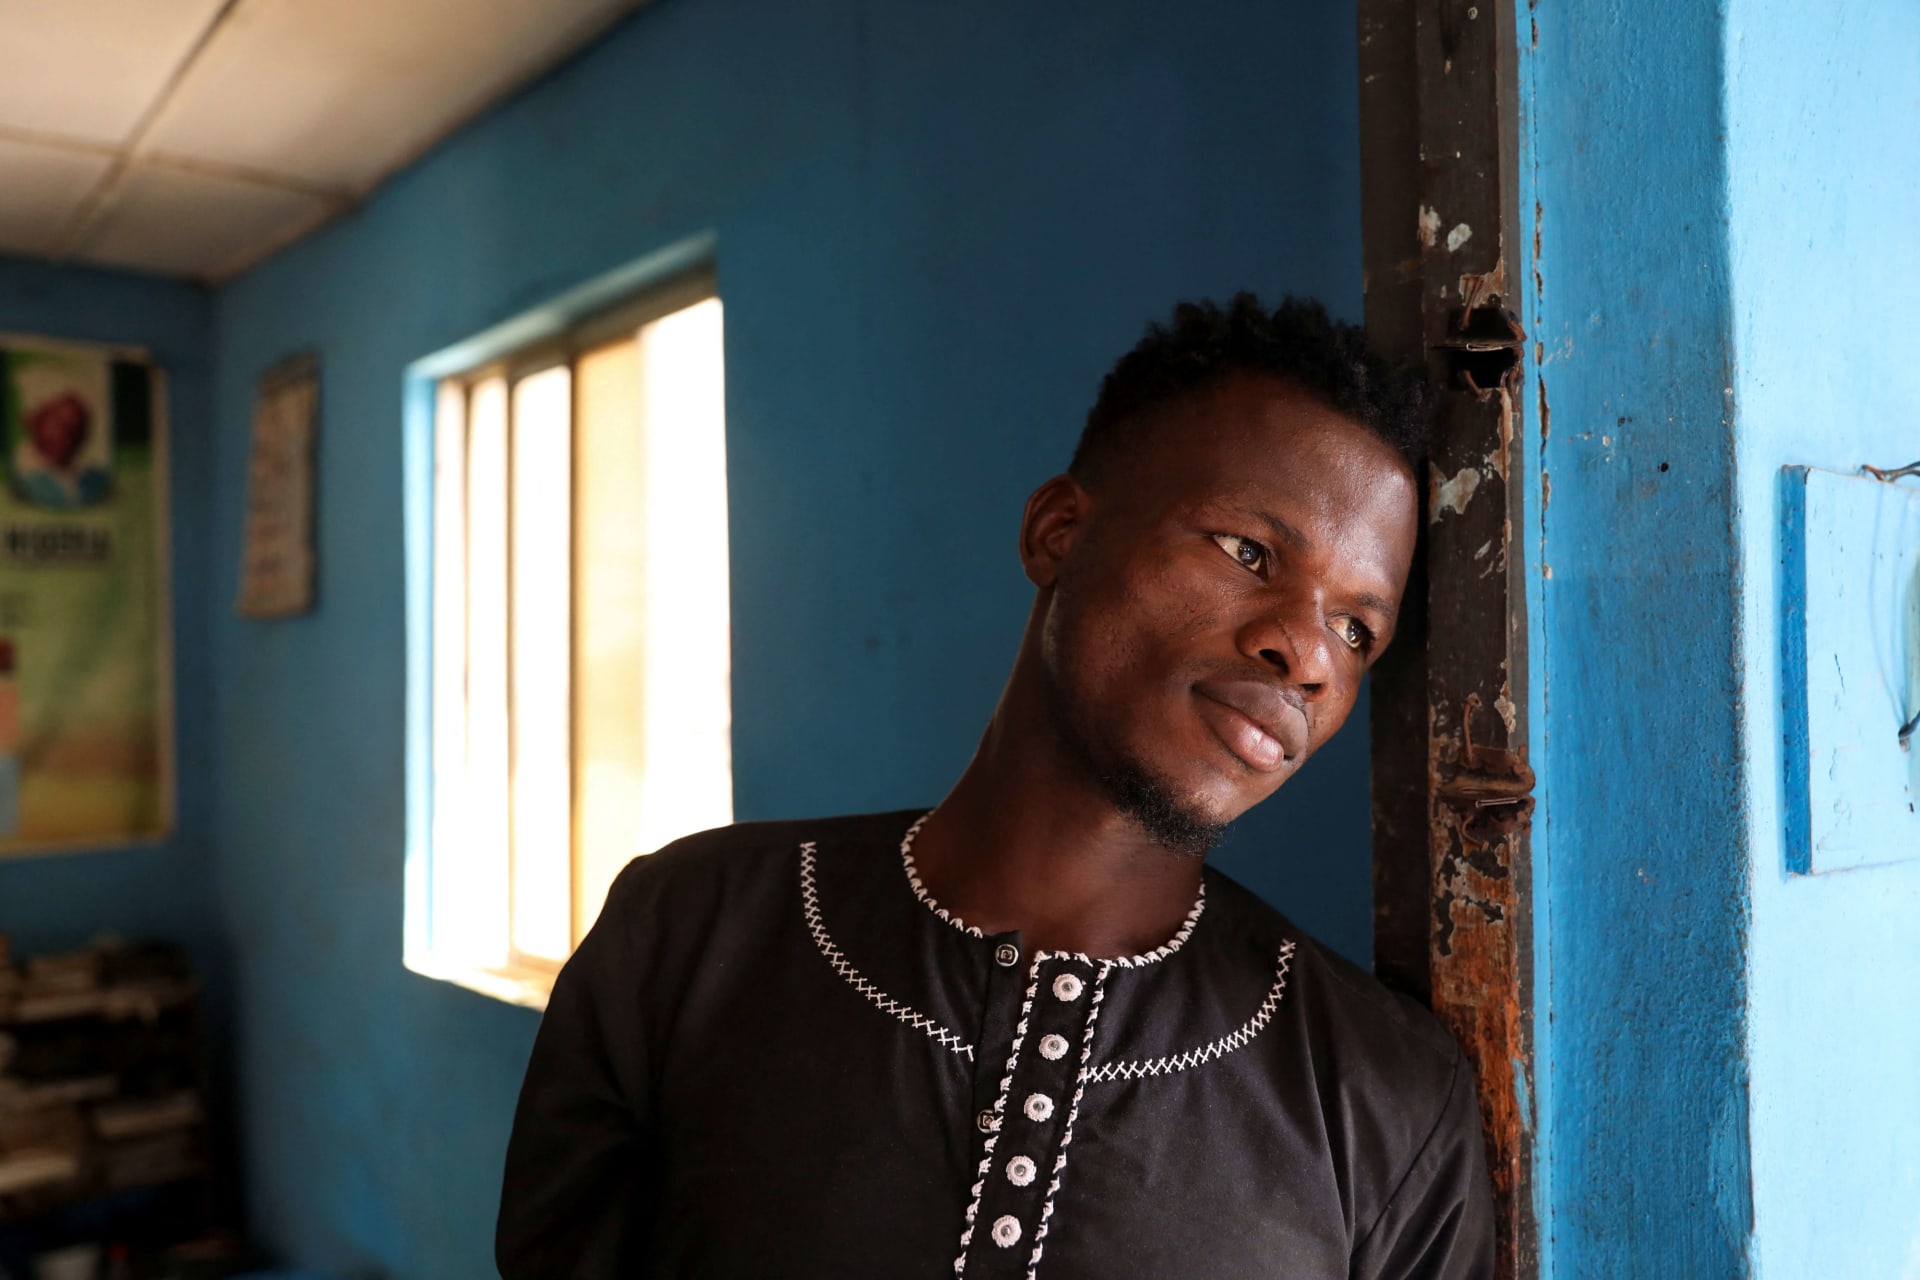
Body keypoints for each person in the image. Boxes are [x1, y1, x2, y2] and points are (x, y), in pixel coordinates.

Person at [497, 294, 1495, 1279]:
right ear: (1058, 531)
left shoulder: (1388, 1095)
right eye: (1250, 552)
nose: (1306, 653)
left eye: (1359, 629)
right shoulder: (687, 932)